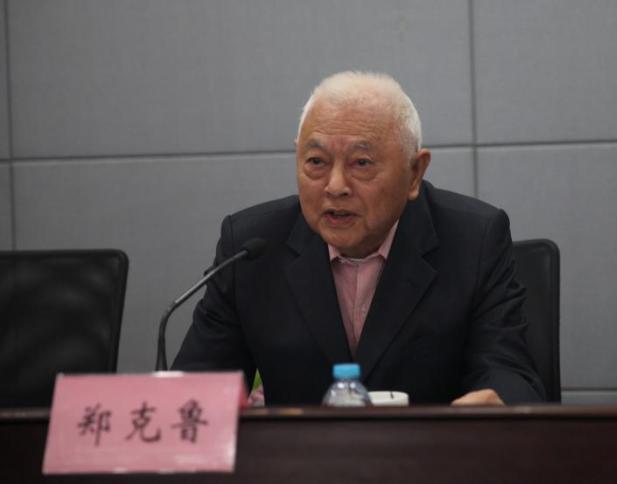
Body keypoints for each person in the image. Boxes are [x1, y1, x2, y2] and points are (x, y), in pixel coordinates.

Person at [172, 71, 544, 405]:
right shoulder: (251, 248)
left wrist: (496, 402)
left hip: (432, 454)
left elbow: (509, 373)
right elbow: (193, 389)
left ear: (415, 173)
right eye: (316, 162)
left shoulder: (474, 240)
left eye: (361, 163)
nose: (335, 186)